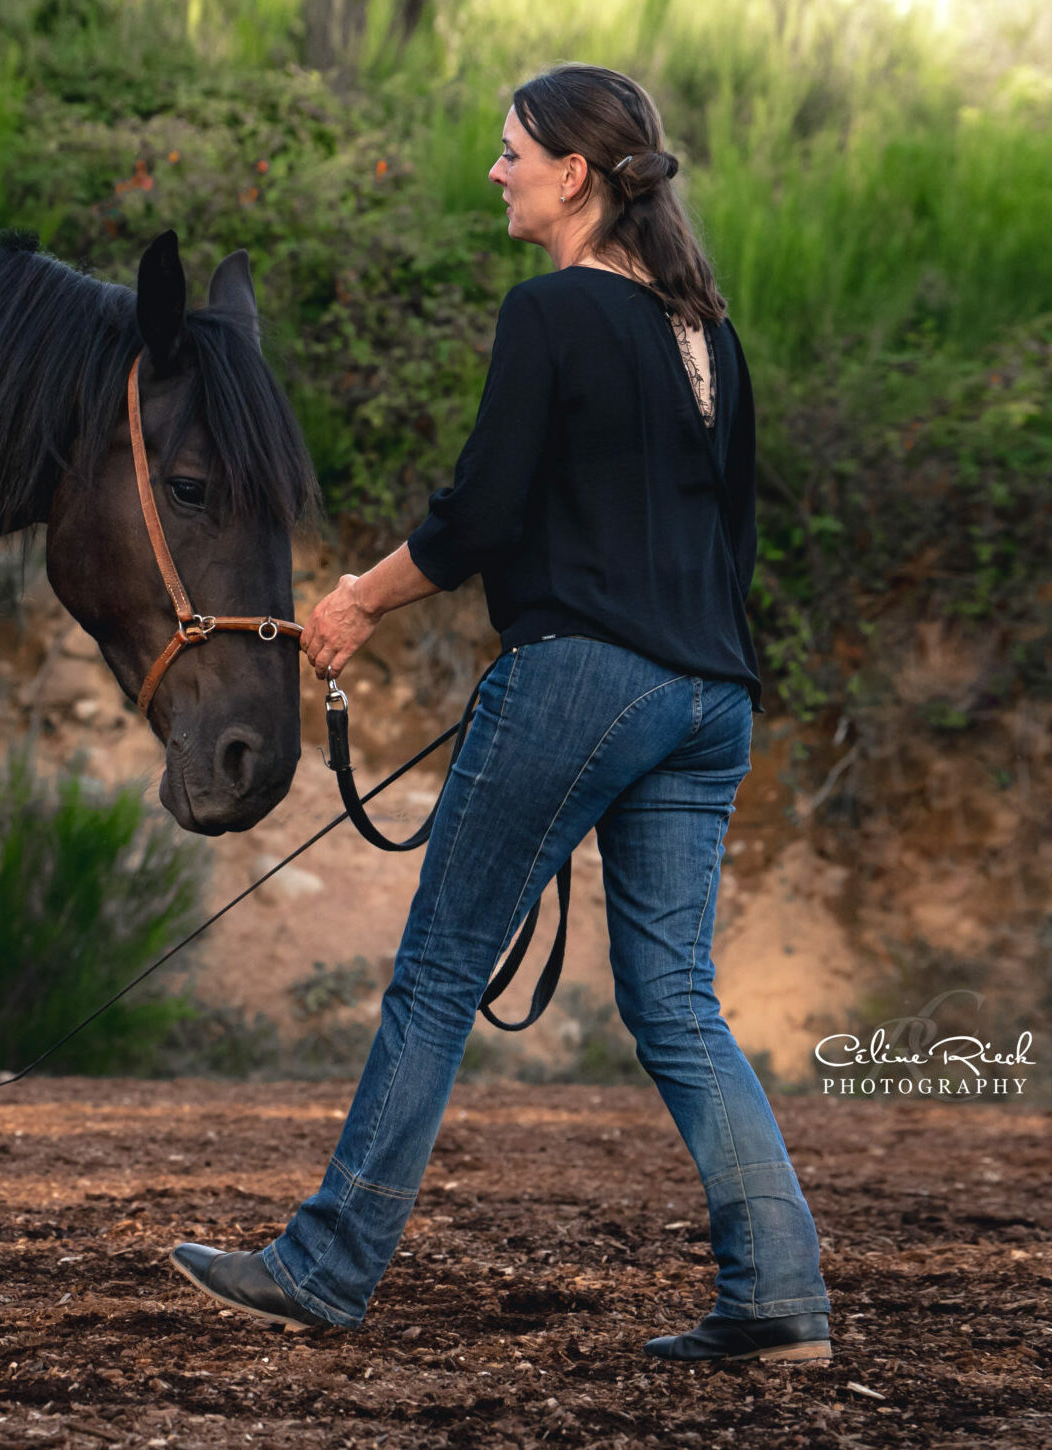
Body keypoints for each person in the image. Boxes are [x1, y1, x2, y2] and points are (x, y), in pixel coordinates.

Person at [167, 63, 832, 1363]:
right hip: (711, 698)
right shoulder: (713, 337)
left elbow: (478, 515)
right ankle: (781, 1295)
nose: (496, 169)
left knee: (433, 975)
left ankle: (324, 1262)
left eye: (512, 149)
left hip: (584, 676)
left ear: (575, 173)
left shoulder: (552, 316)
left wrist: (356, 599)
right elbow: (732, 540)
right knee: (678, 1005)